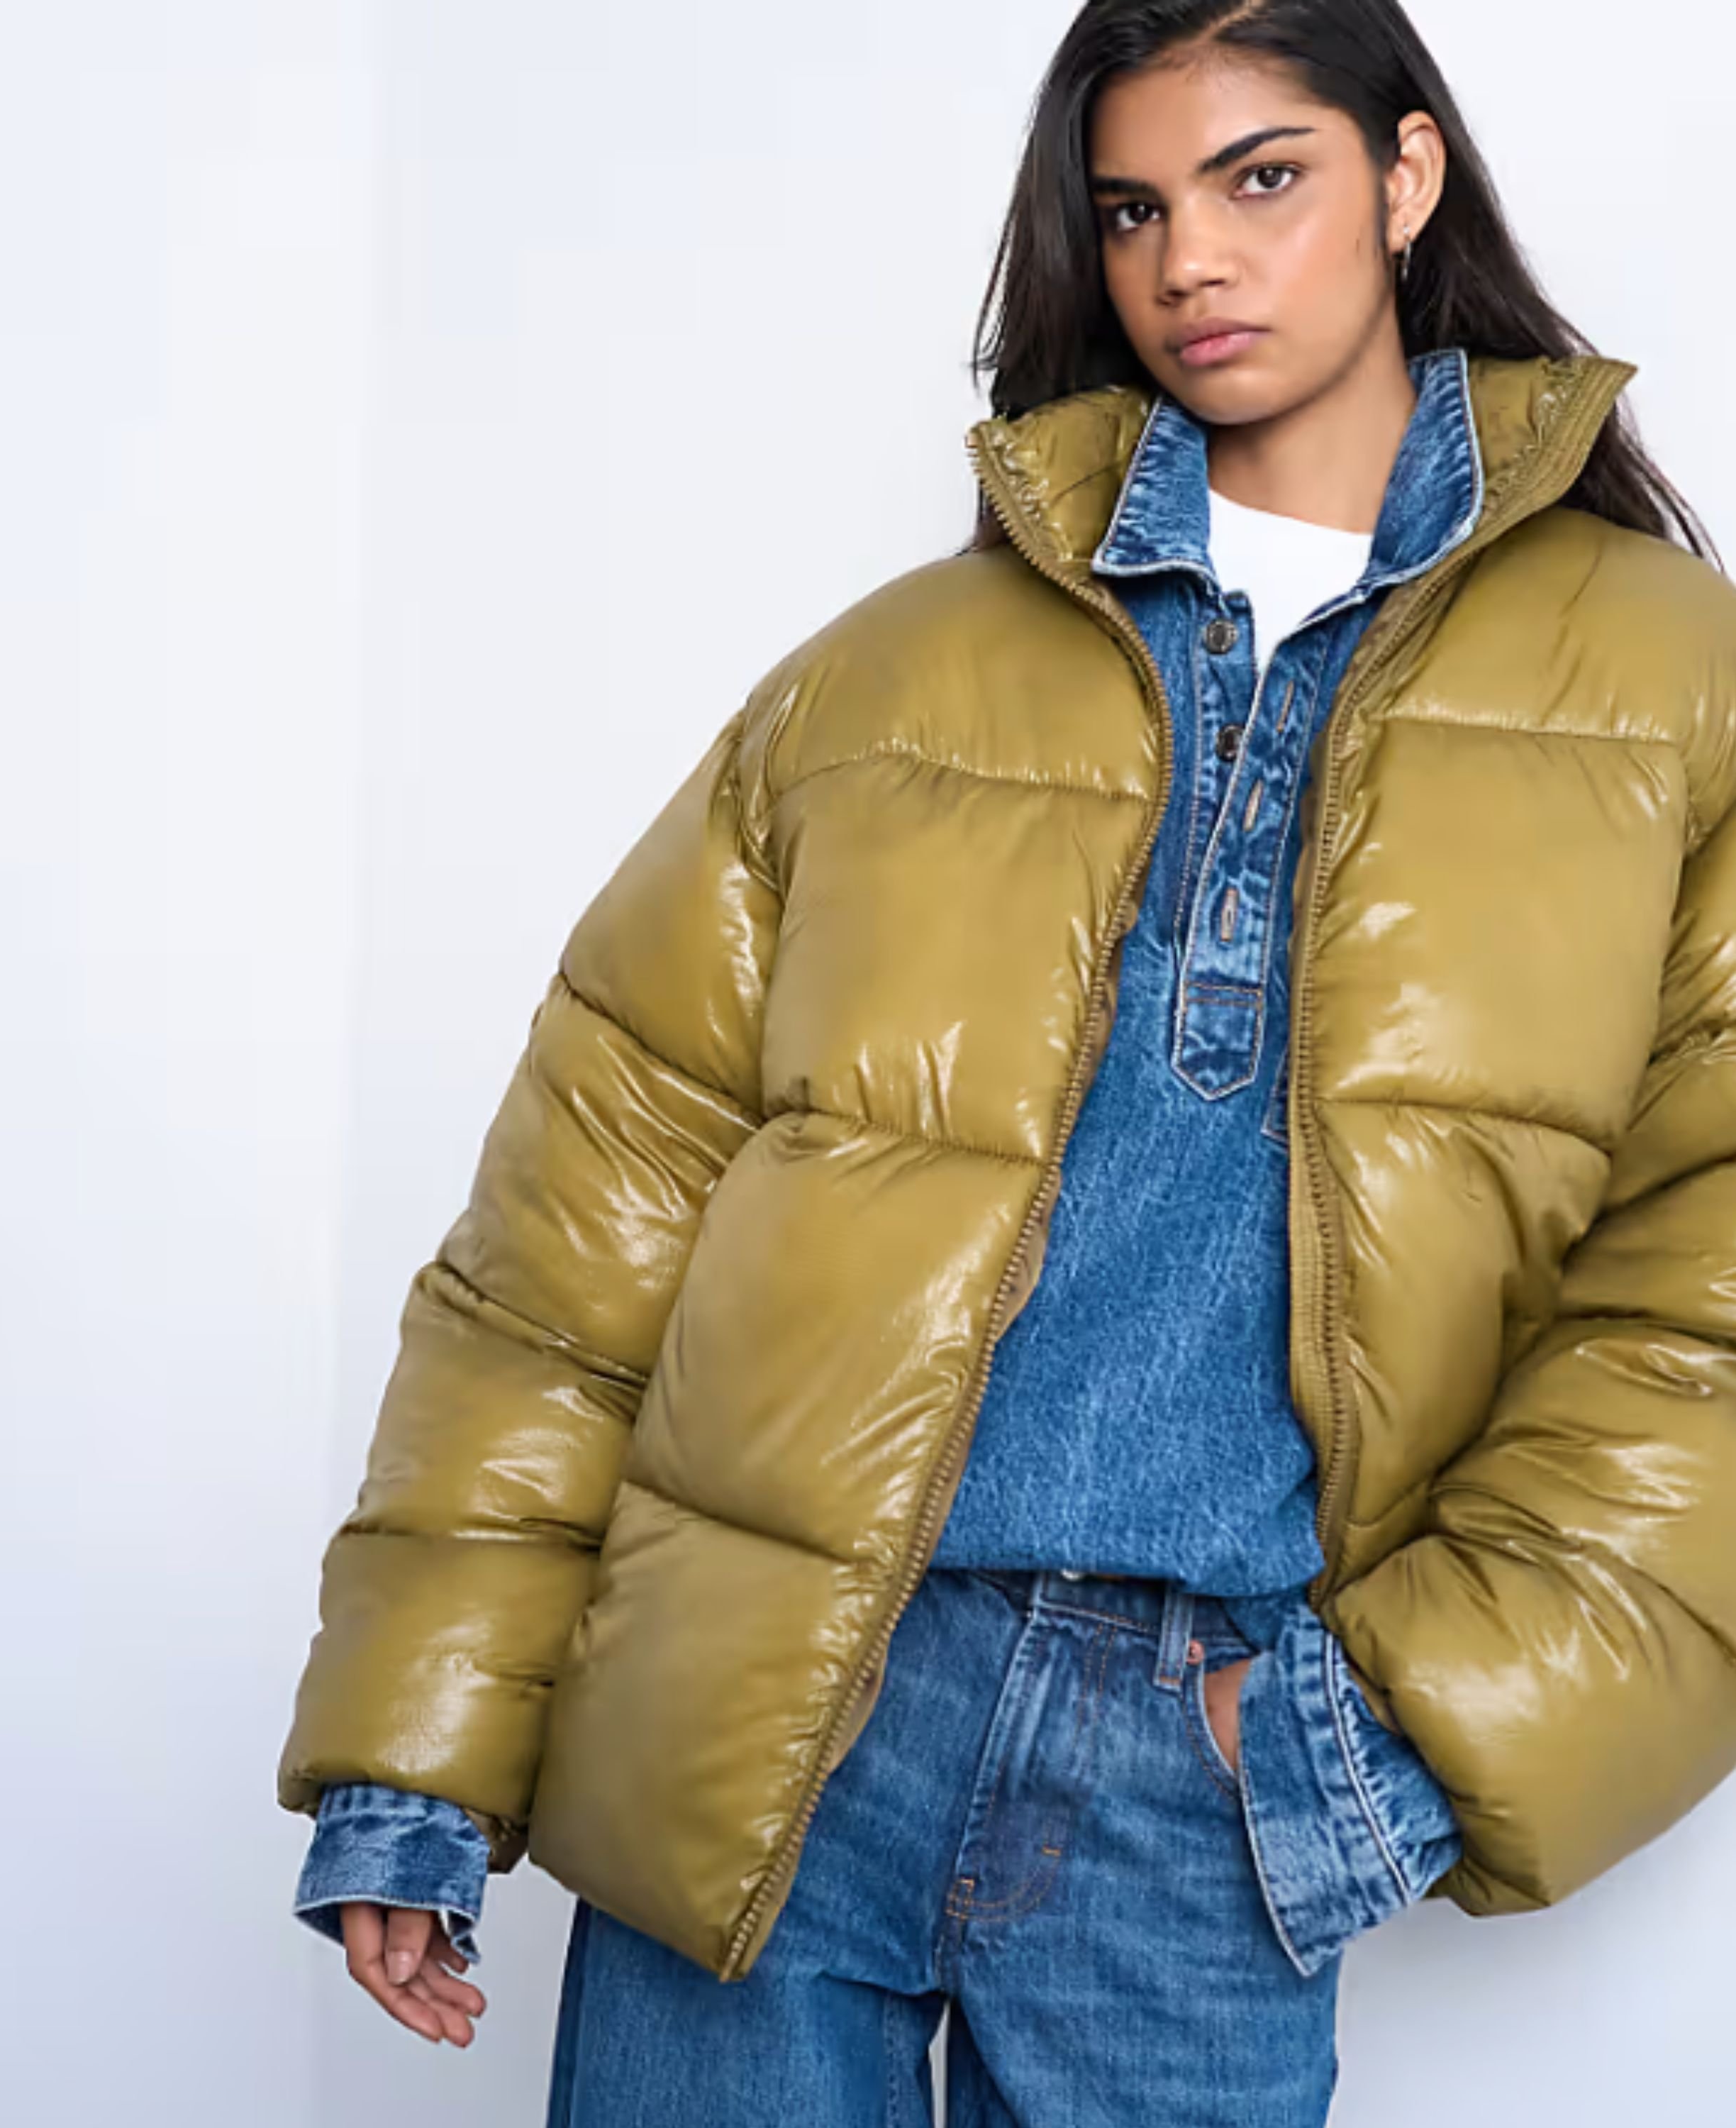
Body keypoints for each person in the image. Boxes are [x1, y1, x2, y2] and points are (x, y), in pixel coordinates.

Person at [278, 1, 1736, 2121]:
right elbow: (583, 1230)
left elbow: (1710, 1297)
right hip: (772, 1721)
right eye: (1132, 208)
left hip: (1209, 1775)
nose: (1189, 261)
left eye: (1262, 179)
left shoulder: (1677, 688)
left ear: (1408, 178)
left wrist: (1383, 1738)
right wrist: (418, 1750)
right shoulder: (894, 676)